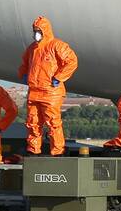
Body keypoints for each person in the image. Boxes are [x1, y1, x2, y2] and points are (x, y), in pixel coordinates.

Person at [18, 17, 78, 156]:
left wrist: (58, 77)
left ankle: (57, 151)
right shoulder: (32, 48)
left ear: (45, 30)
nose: (36, 34)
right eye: (34, 31)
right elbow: (25, 64)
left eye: (38, 31)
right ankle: (33, 150)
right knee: (33, 122)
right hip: (34, 91)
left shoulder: (56, 45)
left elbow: (72, 61)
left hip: (51, 92)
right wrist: (23, 74)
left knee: (53, 123)